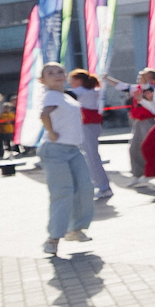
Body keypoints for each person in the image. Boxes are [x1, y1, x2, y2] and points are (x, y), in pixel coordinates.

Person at [36, 64, 94, 257]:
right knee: (62, 192)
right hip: (55, 150)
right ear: (42, 80)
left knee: (85, 188)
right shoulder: (52, 95)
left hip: (73, 149)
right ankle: (53, 239)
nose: (57, 75)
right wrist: (51, 133)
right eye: (50, 73)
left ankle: (74, 229)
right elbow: (44, 114)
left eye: (60, 71)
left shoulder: (66, 96)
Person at [68, 70, 112, 200]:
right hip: (91, 125)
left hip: (87, 126)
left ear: (79, 81)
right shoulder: (92, 90)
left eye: (72, 80)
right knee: (90, 157)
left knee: (92, 157)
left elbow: (66, 95)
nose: (70, 83)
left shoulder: (81, 91)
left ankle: (104, 187)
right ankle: (100, 185)